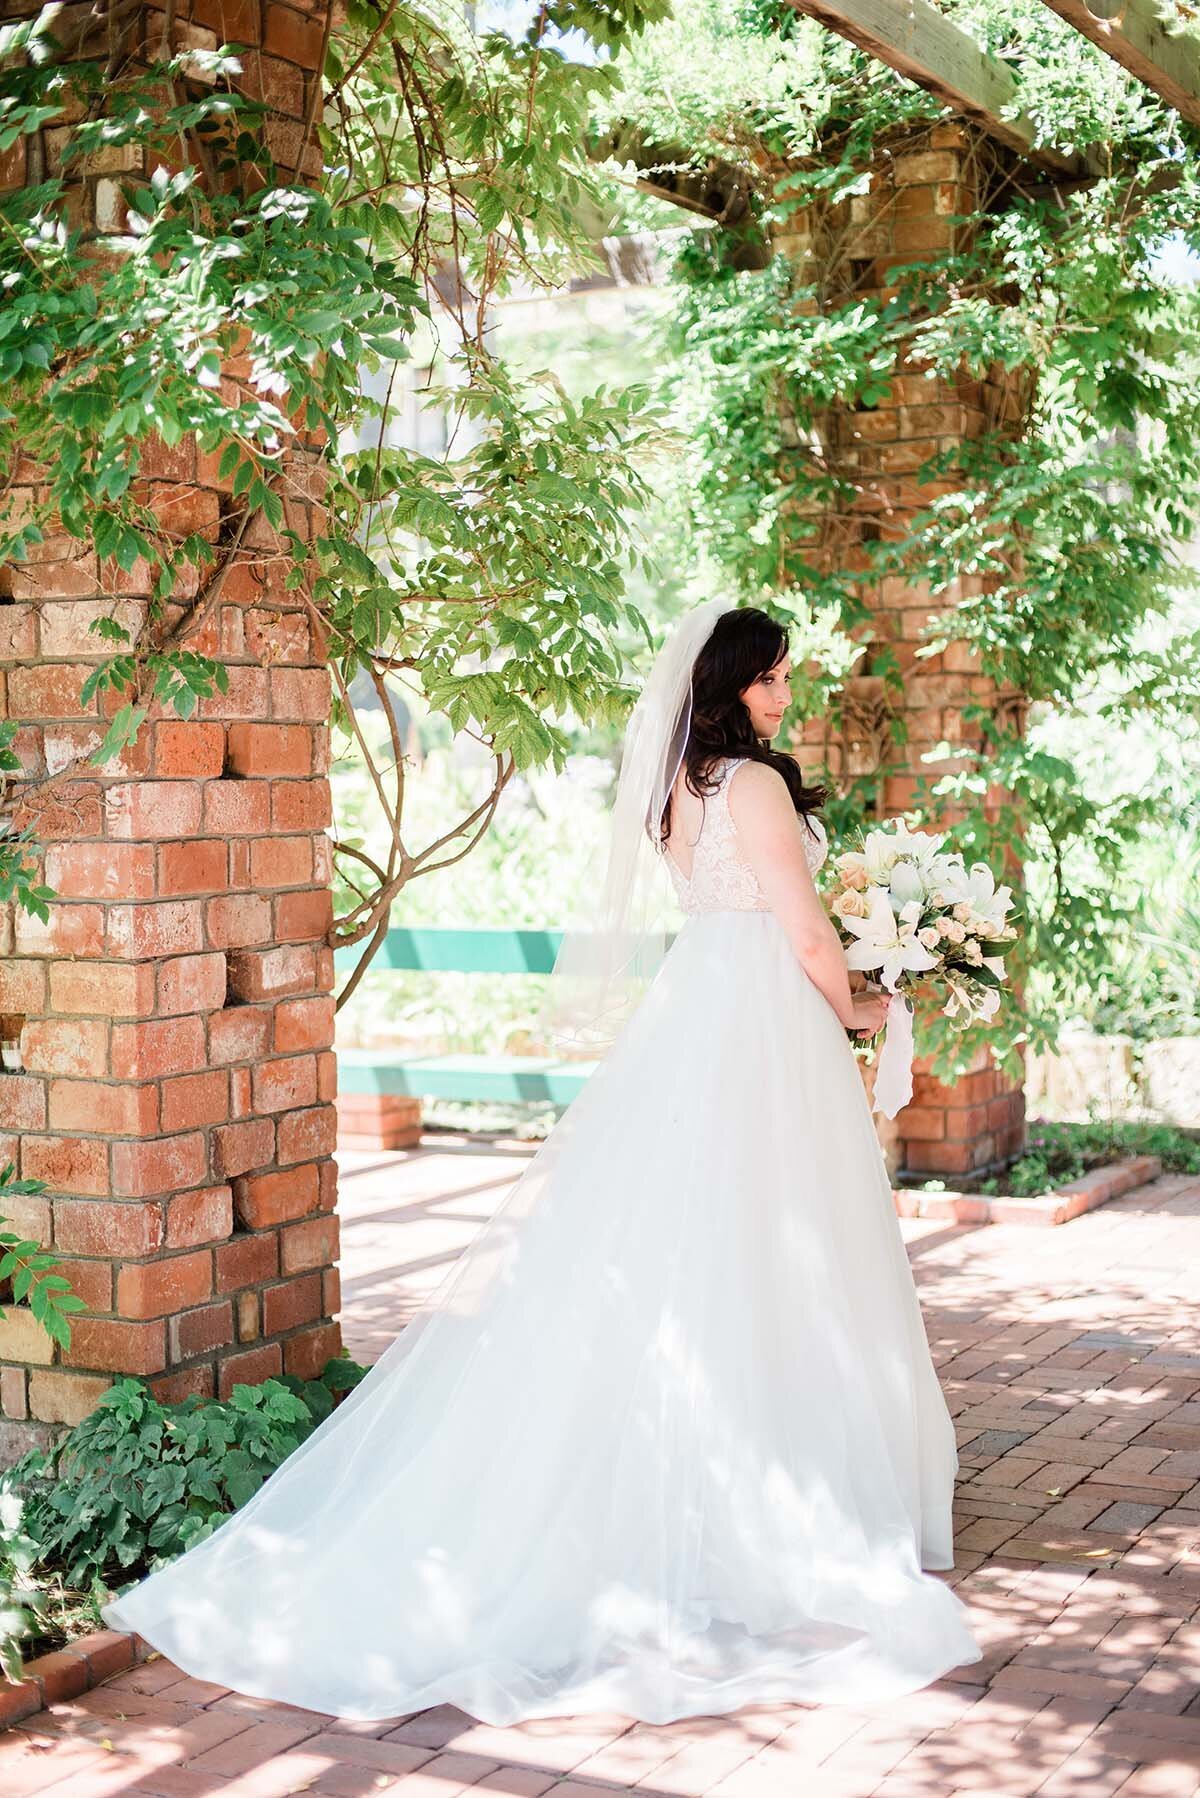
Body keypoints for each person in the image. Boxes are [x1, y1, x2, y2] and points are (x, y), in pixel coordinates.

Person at [101, 601, 983, 1725]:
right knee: (769, 1241)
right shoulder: (752, 786)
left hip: (700, 1010)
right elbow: (806, 933)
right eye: (770, 679)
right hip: (763, 1020)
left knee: (696, 1247)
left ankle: (720, 1480)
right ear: (728, 682)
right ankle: (773, 1496)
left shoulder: (677, 789)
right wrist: (862, 1006)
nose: (783, 695)